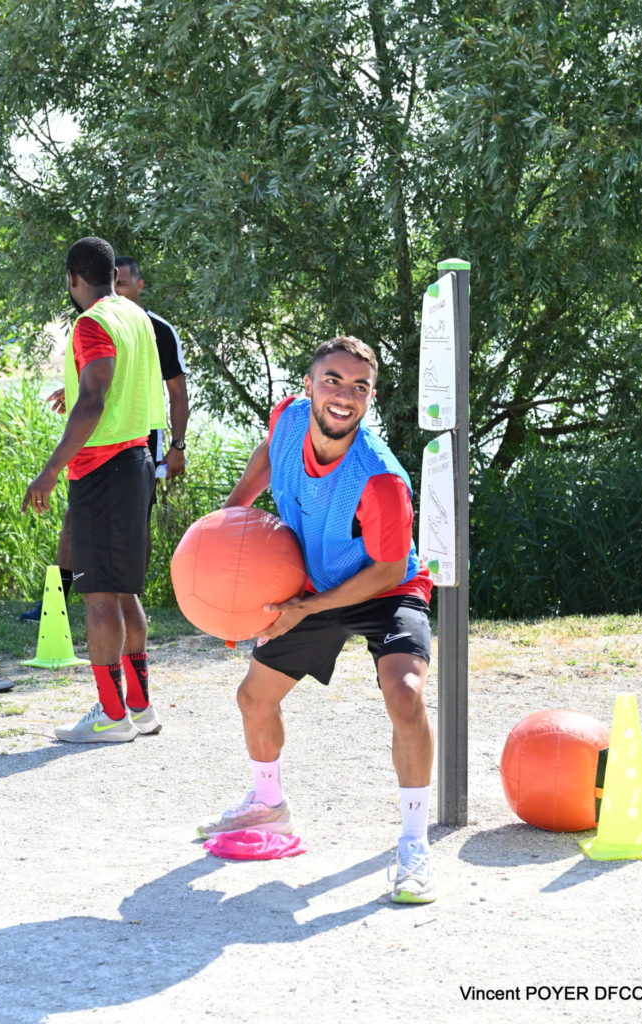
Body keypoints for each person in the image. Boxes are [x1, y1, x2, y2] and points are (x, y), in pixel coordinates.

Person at [197, 336, 437, 904]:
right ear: (309, 386)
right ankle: (267, 803)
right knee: (254, 698)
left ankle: (413, 842)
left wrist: (304, 609)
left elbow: (383, 571)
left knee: (404, 693)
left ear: (370, 399)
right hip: (310, 580)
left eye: (359, 387)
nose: (344, 395)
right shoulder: (289, 417)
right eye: (332, 380)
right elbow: (267, 455)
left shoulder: (379, 479)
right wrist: (233, 517)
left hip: (386, 587)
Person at [22, 236, 166, 743]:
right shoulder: (133, 314)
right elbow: (119, 380)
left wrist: (49, 471)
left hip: (101, 470)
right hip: (137, 460)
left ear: (72, 279)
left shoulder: (90, 323)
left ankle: (111, 714)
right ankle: (140, 707)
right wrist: (78, 388)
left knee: (99, 597)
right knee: (123, 590)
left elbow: (95, 401)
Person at [19, 255, 189, 621]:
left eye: (125, 284)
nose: (119, 290)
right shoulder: (125, 321)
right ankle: (57, 601)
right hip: (110, 447)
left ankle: (127, 594)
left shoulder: (148, 326)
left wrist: (178, 445)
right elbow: (103, 380)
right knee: (73, 525)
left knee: (132, 532)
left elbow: (174, 392)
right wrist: (76, 393)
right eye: (117, 283)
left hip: (135, 442)